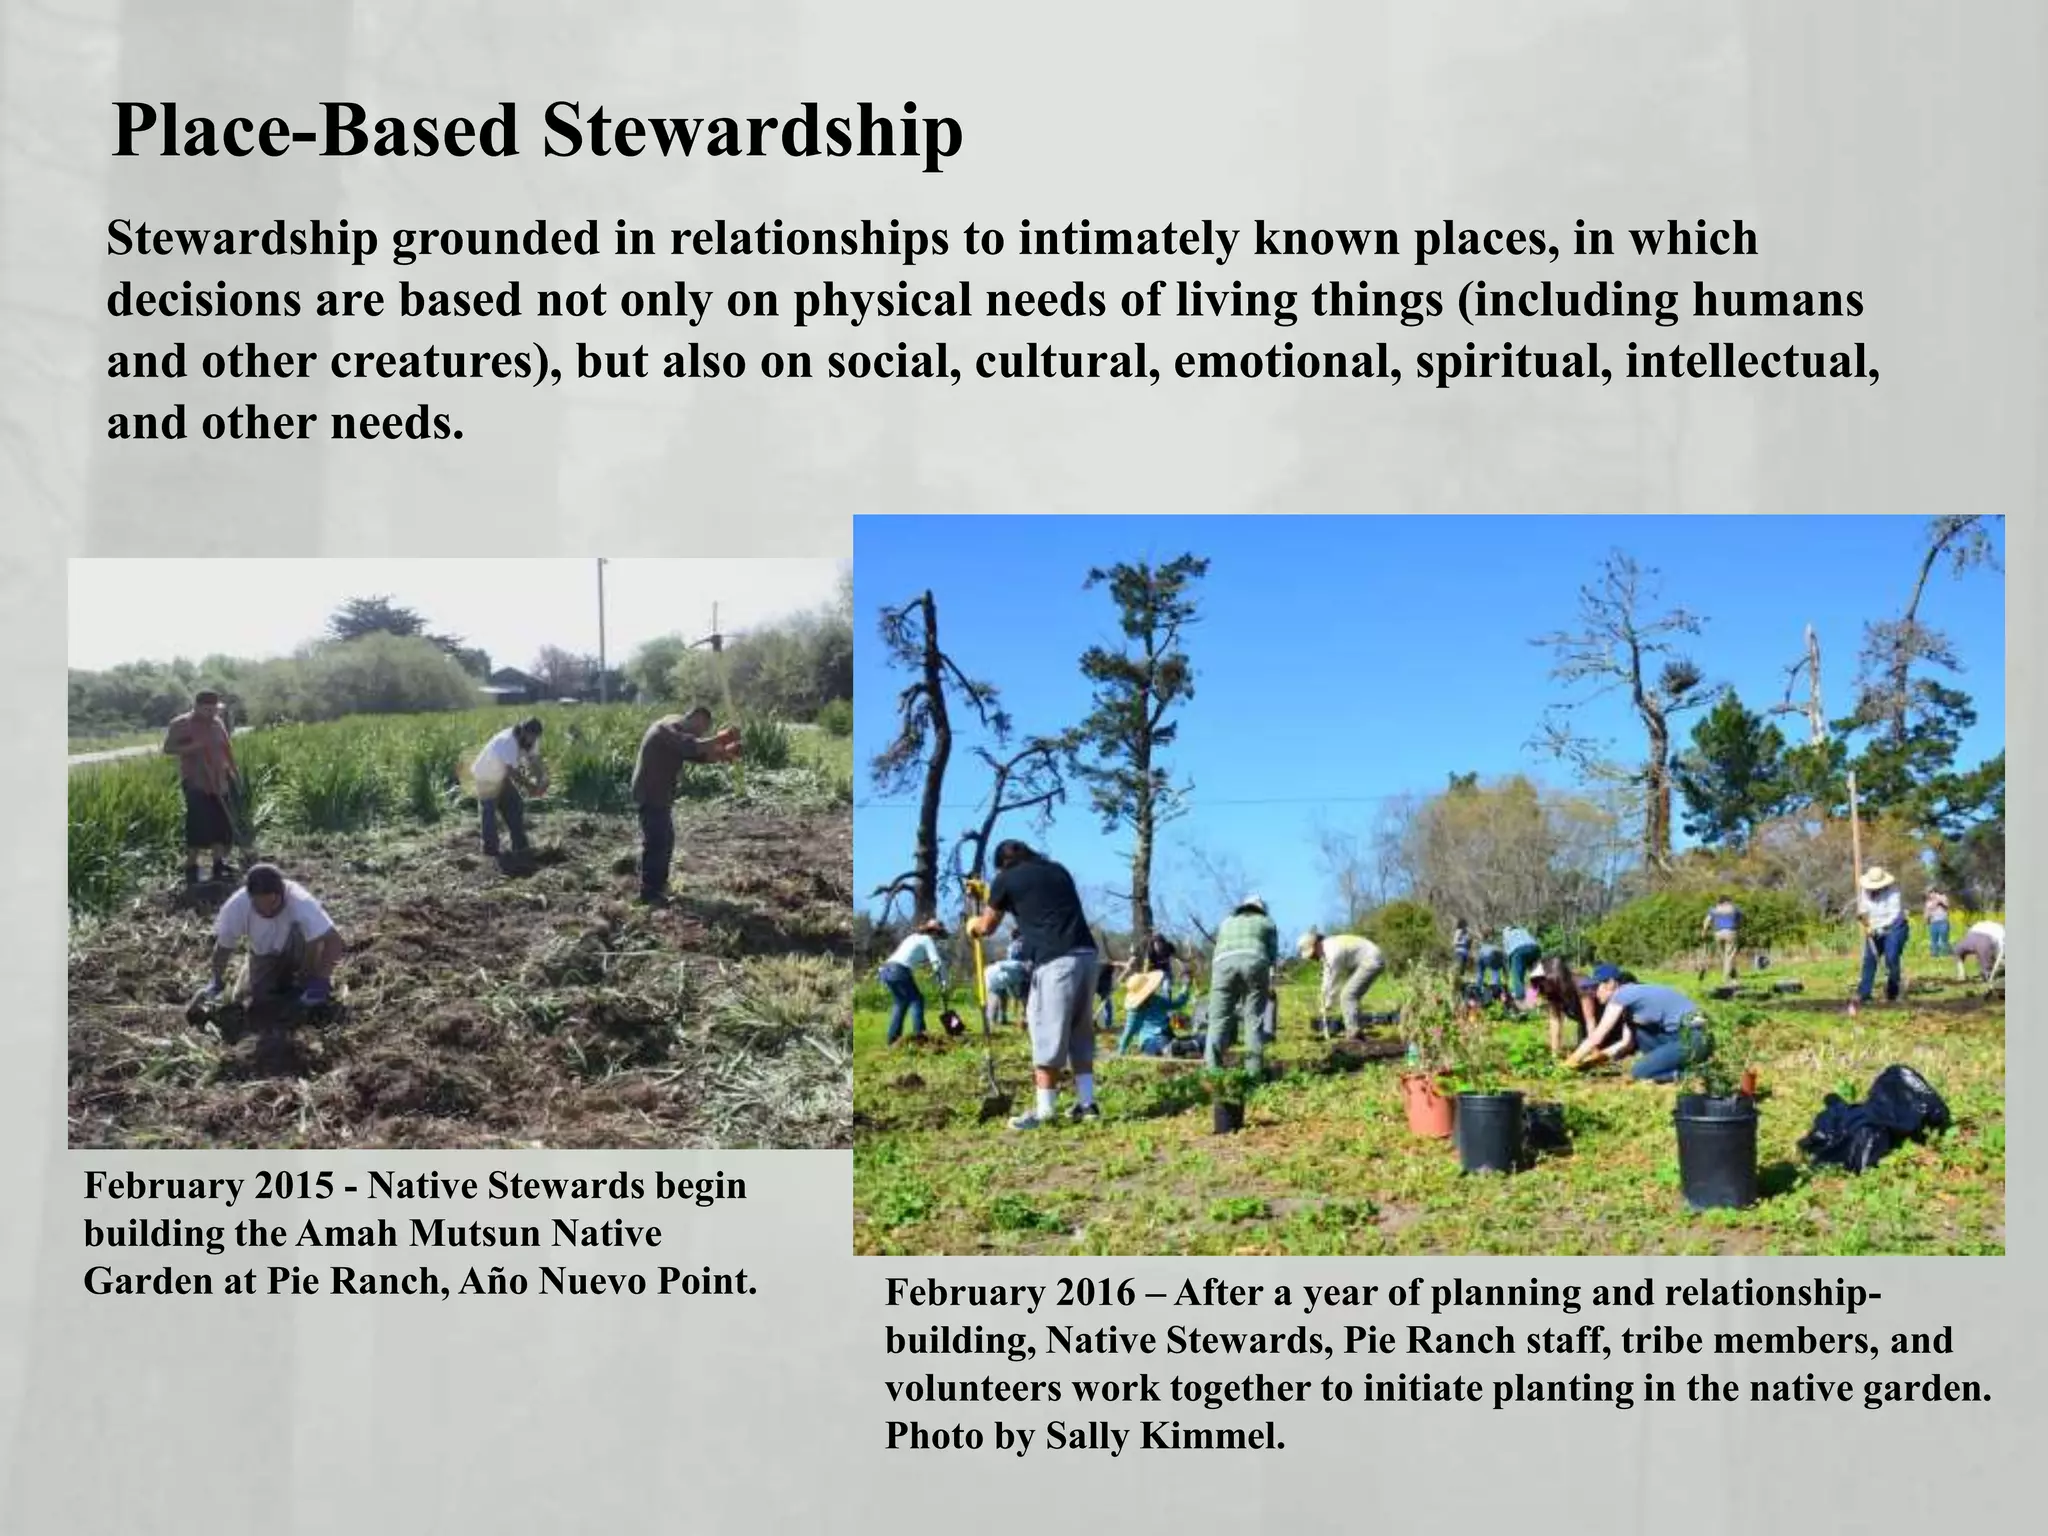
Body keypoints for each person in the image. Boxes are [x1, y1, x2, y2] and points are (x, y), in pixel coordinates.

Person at [968, 840, 1100, 1129]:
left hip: (1055, 961)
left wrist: (972, 924)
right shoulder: (1058, 870)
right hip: (1088, 955)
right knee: (1080, 1032)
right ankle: (1087, 1105)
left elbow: (986, 927)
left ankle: (1045, 1112)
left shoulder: (1005, 879)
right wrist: (987, 895)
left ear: (1002, 863)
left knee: (1046, 1031)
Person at [629, 707, 743, 905]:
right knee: (657, 841)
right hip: (650, 792)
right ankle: (649, 893)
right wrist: (722, 738)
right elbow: (690, 747)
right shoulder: (667, 727)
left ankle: (657, 886)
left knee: (665, 839)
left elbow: (699, 755)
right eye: (702, 729)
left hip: (660, 794)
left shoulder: (680, 733)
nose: (701, 734)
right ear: (696, 718)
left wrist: (725, 754)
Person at [200, 863, 345, 1010]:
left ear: (282, 893)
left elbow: (334, 940)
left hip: (301, 951)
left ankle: (307, 982)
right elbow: (224, 947)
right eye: (260, 904)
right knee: (260, 999)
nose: (267, 910)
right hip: (265, 954)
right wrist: (216, 981)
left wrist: (321, 980)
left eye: (273, 903)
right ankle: (254, 975)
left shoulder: (300, 901)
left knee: (313, 936)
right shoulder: (237, 906)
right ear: (250, 897)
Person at [1566, 966, 1713, 1083]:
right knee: (1641, 1034)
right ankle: (1669, 1064)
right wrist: (1597, 1059)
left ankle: (1692, 1075)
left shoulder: (1623, 994)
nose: (1593, 993)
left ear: (1611, 983)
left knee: (1638, 1072)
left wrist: (1570, 1062)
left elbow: (1597, 1036)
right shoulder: (1630, 1002)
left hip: (1695, 1038)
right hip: (1681, 1037)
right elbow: (1626, 1043)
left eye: (1596, 987)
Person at [161, 689, 240, 885]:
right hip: (196, 781)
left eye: (214, 709)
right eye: (208, 709)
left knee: (221, 824)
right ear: (196, 706)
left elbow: (226, 748)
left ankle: (218, 863)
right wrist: (192, 747)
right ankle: (191, 866)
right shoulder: (181, 724)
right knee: (198, 824)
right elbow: (168, 749)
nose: (212, 713)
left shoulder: (217, 723)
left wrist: (233, 771)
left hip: (219, 780)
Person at [1207, 896, 1280, 1075]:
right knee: (1253, 1019)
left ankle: (1212, 1071)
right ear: (1261, 910)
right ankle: (1253, 1073)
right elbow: (1272, 955)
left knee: (1218, 1020)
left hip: (1222, 965)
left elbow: (1218, 950)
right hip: (1255, 962)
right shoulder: (1267, 922)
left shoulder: (1226, 922)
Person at [471, 717, 546, 859]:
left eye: (535, 737)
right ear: (523, 731)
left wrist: (542, 779)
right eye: (530, 736)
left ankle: (520, 845)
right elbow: (511, 771)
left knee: (515, 804)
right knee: (489, 811)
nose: (532, 740)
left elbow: (534, 760)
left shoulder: (531, 741)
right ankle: (490, 851)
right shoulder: (508, 741)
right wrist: (531, 787)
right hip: (485, 775)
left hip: (501, 776)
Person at [1298, 928, 1385, 1036]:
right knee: (1351, 995)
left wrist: (1326, 1005)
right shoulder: (1328, 946)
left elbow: (1333, 983)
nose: (1314, 958)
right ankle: (1356, 1026)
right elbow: (1327, 978)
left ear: (1316, 945)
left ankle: (1353, 1031)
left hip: (1371, 961)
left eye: (1313, 955)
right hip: (1365, 960)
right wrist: (1323, 996)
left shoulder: (1333, 953)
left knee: (1347, 995)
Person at [878, 918, 948, 1046]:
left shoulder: (913, 937)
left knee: (901, 1003)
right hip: (899, 970)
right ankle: (920, 1037)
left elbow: (913, 956)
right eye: (939, 935)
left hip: (886, 969)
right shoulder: (927, 939)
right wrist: (943, 981)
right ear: (934, 932)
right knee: (917, 1000)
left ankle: (892, 1040)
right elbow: (936, 962)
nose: (938, 939)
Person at [1856, 866, 1910, 1004]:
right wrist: (1866, 924)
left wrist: (1876, 928)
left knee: (1891, 957)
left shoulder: (1893, 892)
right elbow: (1863, 910)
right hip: (1874, 927)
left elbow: (1893, 915)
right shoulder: (1865, 891)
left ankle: (1893, 992)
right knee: (1869, 959)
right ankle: (1863, 993)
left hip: (1895, 926)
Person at [1525, 954, 1596, 1056]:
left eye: (1545, 982)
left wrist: (1593, 1050)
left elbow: (1590, 1020)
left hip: (1602, 1020)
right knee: (1581, 1051)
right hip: (1584, 1022)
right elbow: (1555, 1021)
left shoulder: (1582, 984)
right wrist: (1555, 1054)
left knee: (1592, 1052)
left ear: (1558, 978)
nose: (1543, 987)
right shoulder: (1552, 991)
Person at [1117, 965, 1193, 1057]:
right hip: (1150, 1040)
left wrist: (1186, 986)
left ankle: (1185, 1046)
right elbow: (1128, 1032)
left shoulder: (1157, 1000)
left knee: (1172, 1042)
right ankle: (1179, 1048)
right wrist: (1120, 1053)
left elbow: (1177, 1003)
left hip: (1166, 1035)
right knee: (1164, 1045)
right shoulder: (1135, 1011)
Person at [984, 942, 1031, 1026]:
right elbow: (1001, 965)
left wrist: (1016, 996)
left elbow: (1013, 987)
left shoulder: (1021, 977)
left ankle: (1002, 1019)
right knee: (993, 999)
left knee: (1003, 998)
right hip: (992, 976)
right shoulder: (1017, 965)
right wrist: (1001, 968)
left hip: (1002, 981)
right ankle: (991, 1021)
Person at [1701, 895, 1743, 980]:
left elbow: (1707, 921)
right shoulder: (1735, 908)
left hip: (1718, 933)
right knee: (1730, 956)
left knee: (1724, 956)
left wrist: (1704, 931)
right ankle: (1726, 977)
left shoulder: (1714, 909)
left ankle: (1733, 973)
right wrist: (1737, 927)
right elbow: (1740, 920)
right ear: (1727, 901)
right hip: (1731, 932)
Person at [1501, 924, 1543, 1000]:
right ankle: (1542, 993)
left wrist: (1510, 970)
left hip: (1518, 951)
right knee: (1537, 973)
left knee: (1517, 977)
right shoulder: (1523, 930)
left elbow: (1508, 956)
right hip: (1535, 948)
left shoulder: (1506, 936)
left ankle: (1520, 998)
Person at [1924, 889, 1953, 958]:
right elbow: (1927, 913)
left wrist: (1940, 900)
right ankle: (1934, 955)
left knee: (1944, 939)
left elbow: (1947, 905)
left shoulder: (1943, 898)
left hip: (1943, 922)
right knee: (1934, 940)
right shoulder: (1928, 903)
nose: (1932, 894)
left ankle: (1946, 954)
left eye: (1933, 892)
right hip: (1933, 923)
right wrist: (1926, 919)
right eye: (1930, 893)